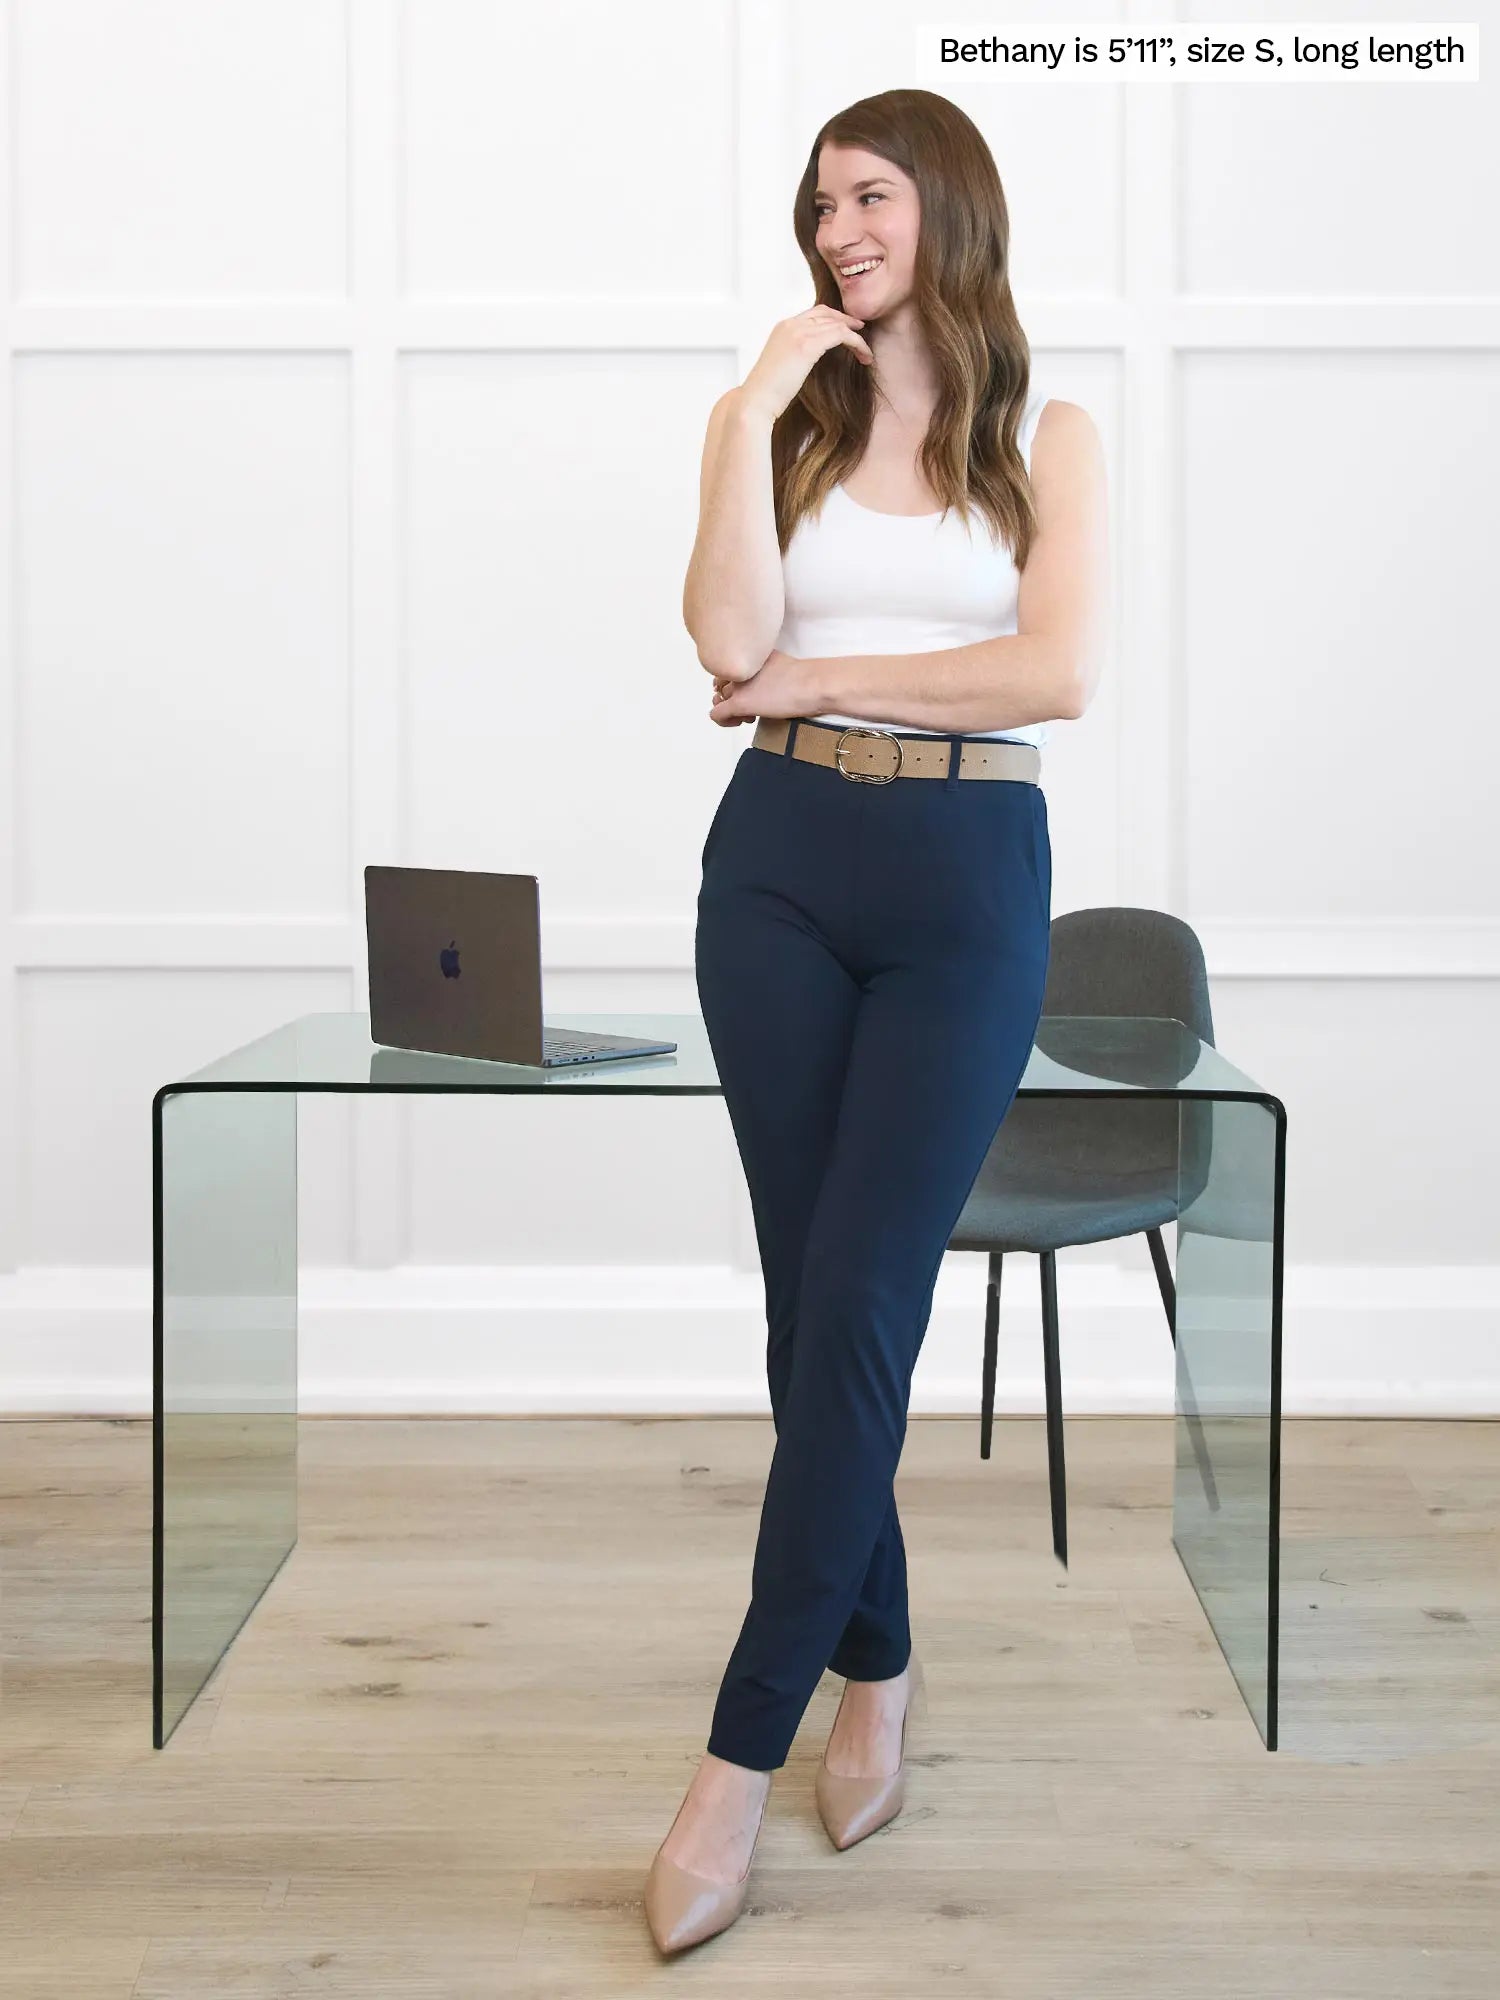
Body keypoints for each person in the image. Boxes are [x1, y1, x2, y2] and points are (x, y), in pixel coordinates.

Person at [647, 87, 1109, 1956]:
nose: (836, 230)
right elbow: (717, 636)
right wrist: (745, 409)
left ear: (947, 203)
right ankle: (880, 1663)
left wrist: (821, 670)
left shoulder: (1047, 435)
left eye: (868, 196)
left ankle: (730, 1765)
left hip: (965, 885)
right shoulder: (790, 422)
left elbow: (1056, 671)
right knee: (807, 1306)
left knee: (858, 1306)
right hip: (774, 869)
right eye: (816, 207)